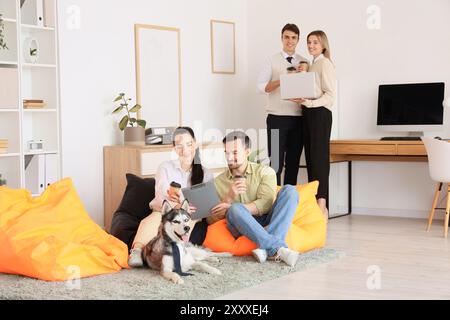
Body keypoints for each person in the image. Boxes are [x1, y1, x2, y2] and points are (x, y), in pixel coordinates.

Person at [209, 131, 300, 267]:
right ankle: (277, 247)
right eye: (226, 153)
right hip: (240, 225)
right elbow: (211, 219)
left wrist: (239, 208)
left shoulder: (265, 171)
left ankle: (266, 248)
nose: (229, 157)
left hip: (268, 218)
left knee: (290, 191)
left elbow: (266, 204)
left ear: (247, 152)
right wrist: (229, 199)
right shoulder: (218, 182)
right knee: (234, 209)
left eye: (234, 153)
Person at [128, 127, 214, 267]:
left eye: (189, 144)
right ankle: (137, 251)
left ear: (195, 144)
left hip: (191, 216)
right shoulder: (165, 168)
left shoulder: (206, 173)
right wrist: (175, 204)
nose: (185, 150)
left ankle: (178, 254)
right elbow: (161, 195)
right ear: (173, 148)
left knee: (186, 222)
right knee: (155, 219)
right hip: (165, 211)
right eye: (179, 146)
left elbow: (208, 203)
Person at [291, 30, 336, 219]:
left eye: (315, 42)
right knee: (310, 159)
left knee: (319, 160)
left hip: (319, 114)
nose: (311, 46)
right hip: (308, 114)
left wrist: (309, 103)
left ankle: (322, 206)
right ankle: (317, 204)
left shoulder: (325, 64)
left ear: (323, 44)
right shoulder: (311, 65)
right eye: (309, 42)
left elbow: (330, 95)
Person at [257, 23, 309, 186]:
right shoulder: (270, 60)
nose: (290, 41)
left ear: (298, 40)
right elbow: (261, 87)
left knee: (293, 163)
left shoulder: (304, 62)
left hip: (298, 119)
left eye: (293, 38)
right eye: (287, 37)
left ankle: (288, 201)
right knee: (275, 164)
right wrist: (282, 80)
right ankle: (273, 201)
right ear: (282, 38)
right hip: (276, 119)